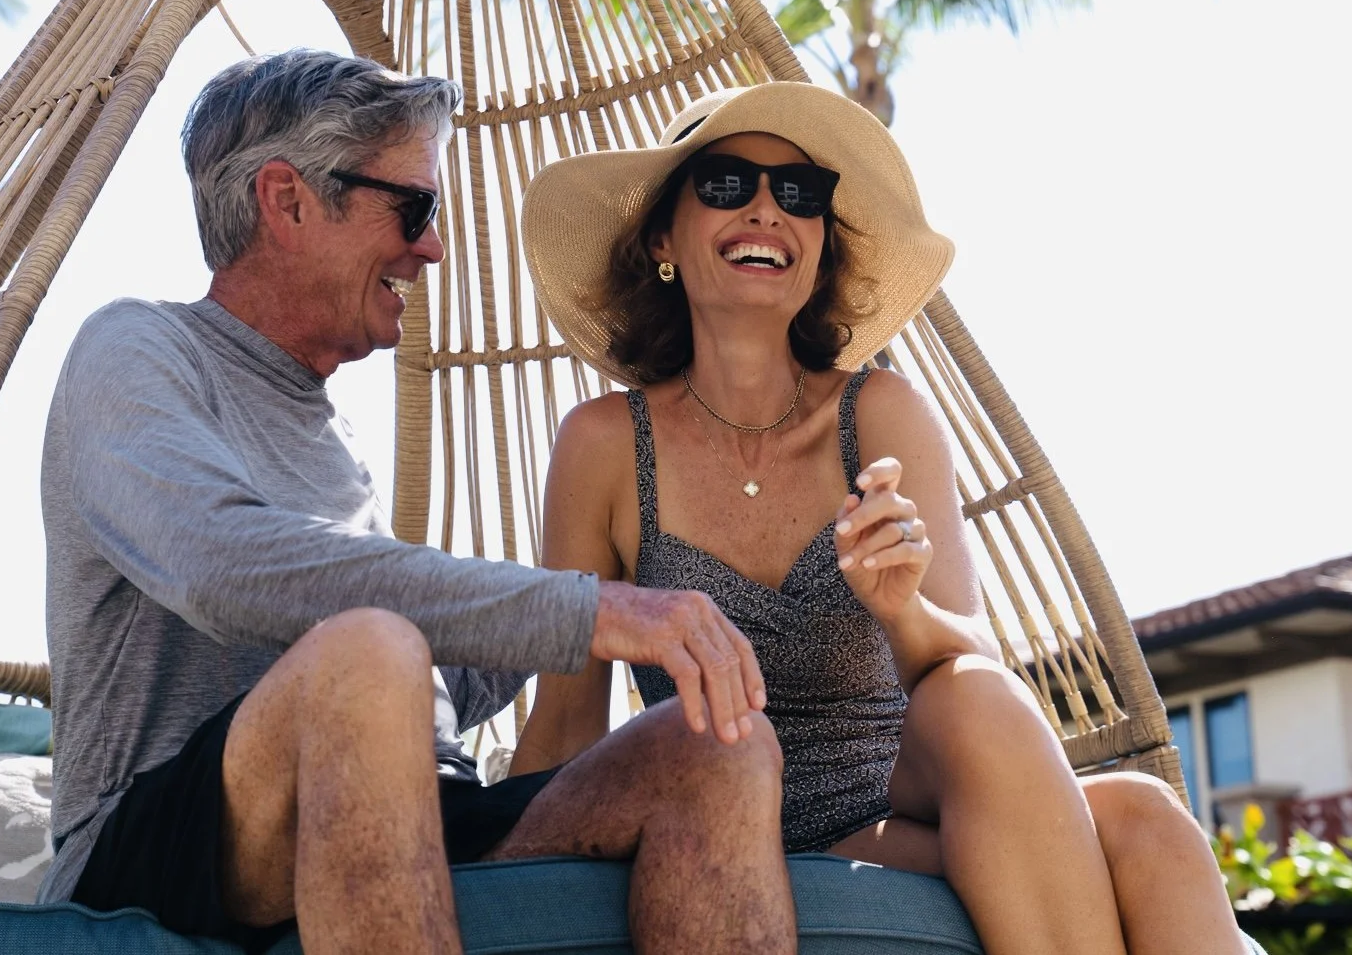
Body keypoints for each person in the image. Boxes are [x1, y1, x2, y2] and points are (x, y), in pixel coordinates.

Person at [36, 51, 797, 955]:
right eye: (414, 208)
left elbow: (424, 681)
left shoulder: (332, 434)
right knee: (367, 649)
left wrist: (616, 563)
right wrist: (587, 608)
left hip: (423, 799)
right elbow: (220, 564)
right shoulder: (136, 347)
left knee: (719, 747)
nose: (432, 248)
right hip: (154, 839)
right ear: (287, 201)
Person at [514, 81, 1249, 955]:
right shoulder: (603, 444)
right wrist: (498, 882)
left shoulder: (881, 414)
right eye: (724, 183)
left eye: (799, 193)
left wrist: (901, 605)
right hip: (710, 824)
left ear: (820, 244)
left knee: (1141, 814)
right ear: (662, 238)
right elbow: (566, 721)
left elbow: (975, 668)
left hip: (884, 816)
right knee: (1122, 809)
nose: (765, 210)